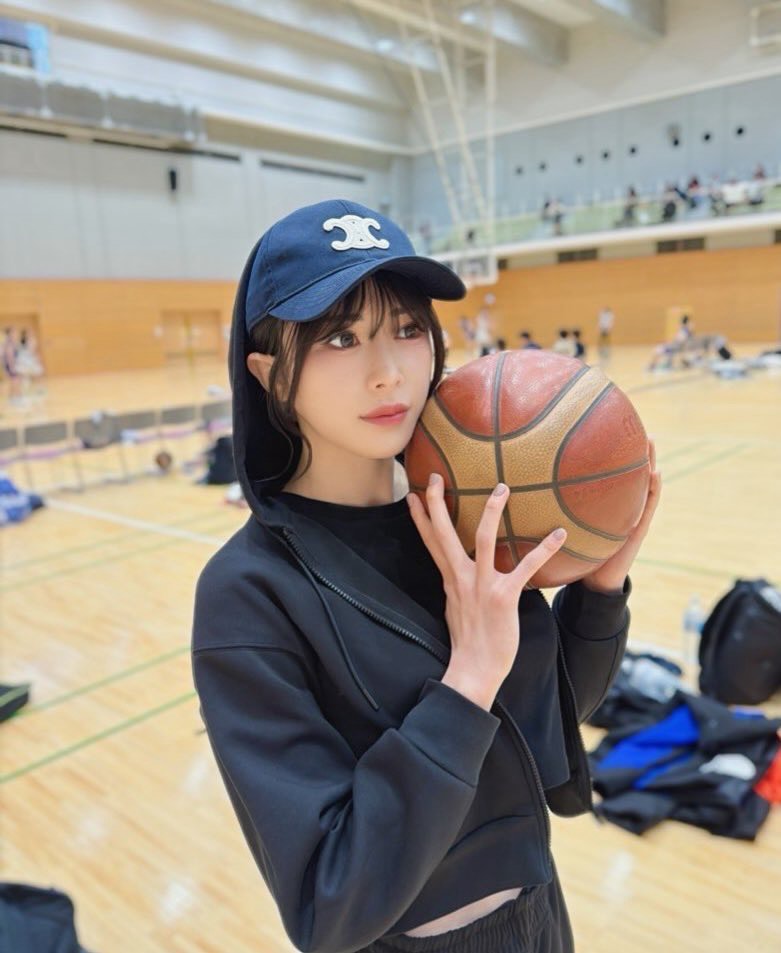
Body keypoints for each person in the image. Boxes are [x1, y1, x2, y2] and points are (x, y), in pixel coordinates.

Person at [191, 199, 661, 953]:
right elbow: (328, 902)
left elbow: (539, 725)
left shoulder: (462, 514)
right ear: (268, 371)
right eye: (341, 337)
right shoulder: (247, 596)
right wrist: (465, 681)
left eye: (408, 328)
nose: (388, 372)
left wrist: (599, 591)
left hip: (540, 915)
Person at [2, 328, 22, 405]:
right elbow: (9, 356)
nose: (15, 334)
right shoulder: (8, 343)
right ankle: (15, 398)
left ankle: (14, 397)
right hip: (11, 366)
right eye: (13, 332)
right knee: (15, 381)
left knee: (15, 381)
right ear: (9, 334)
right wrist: (12, 367)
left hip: (13, 365)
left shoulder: (12, 342)